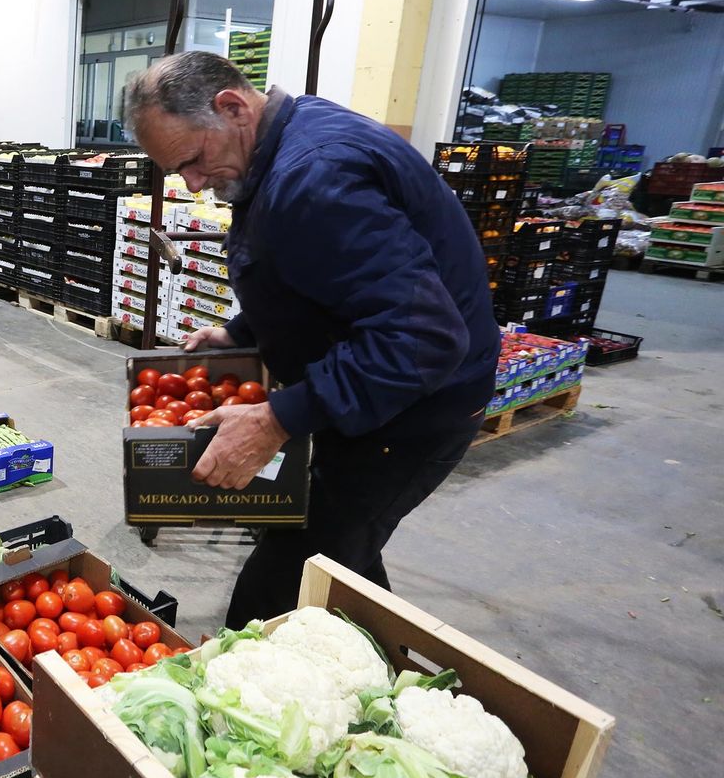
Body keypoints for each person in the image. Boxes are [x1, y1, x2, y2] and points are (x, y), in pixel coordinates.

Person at [122, 52, 500, 628]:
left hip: (415, 412)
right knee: (340, 554)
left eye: (194, 160)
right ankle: (386, 661)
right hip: (377, 397)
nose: (193, 184)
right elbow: (320, 279)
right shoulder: (284, 142)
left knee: (279, 588)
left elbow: (420, 337)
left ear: (232, 106)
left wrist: (278, 418)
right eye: (179, 172)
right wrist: (241, 331)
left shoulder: (315, 178)